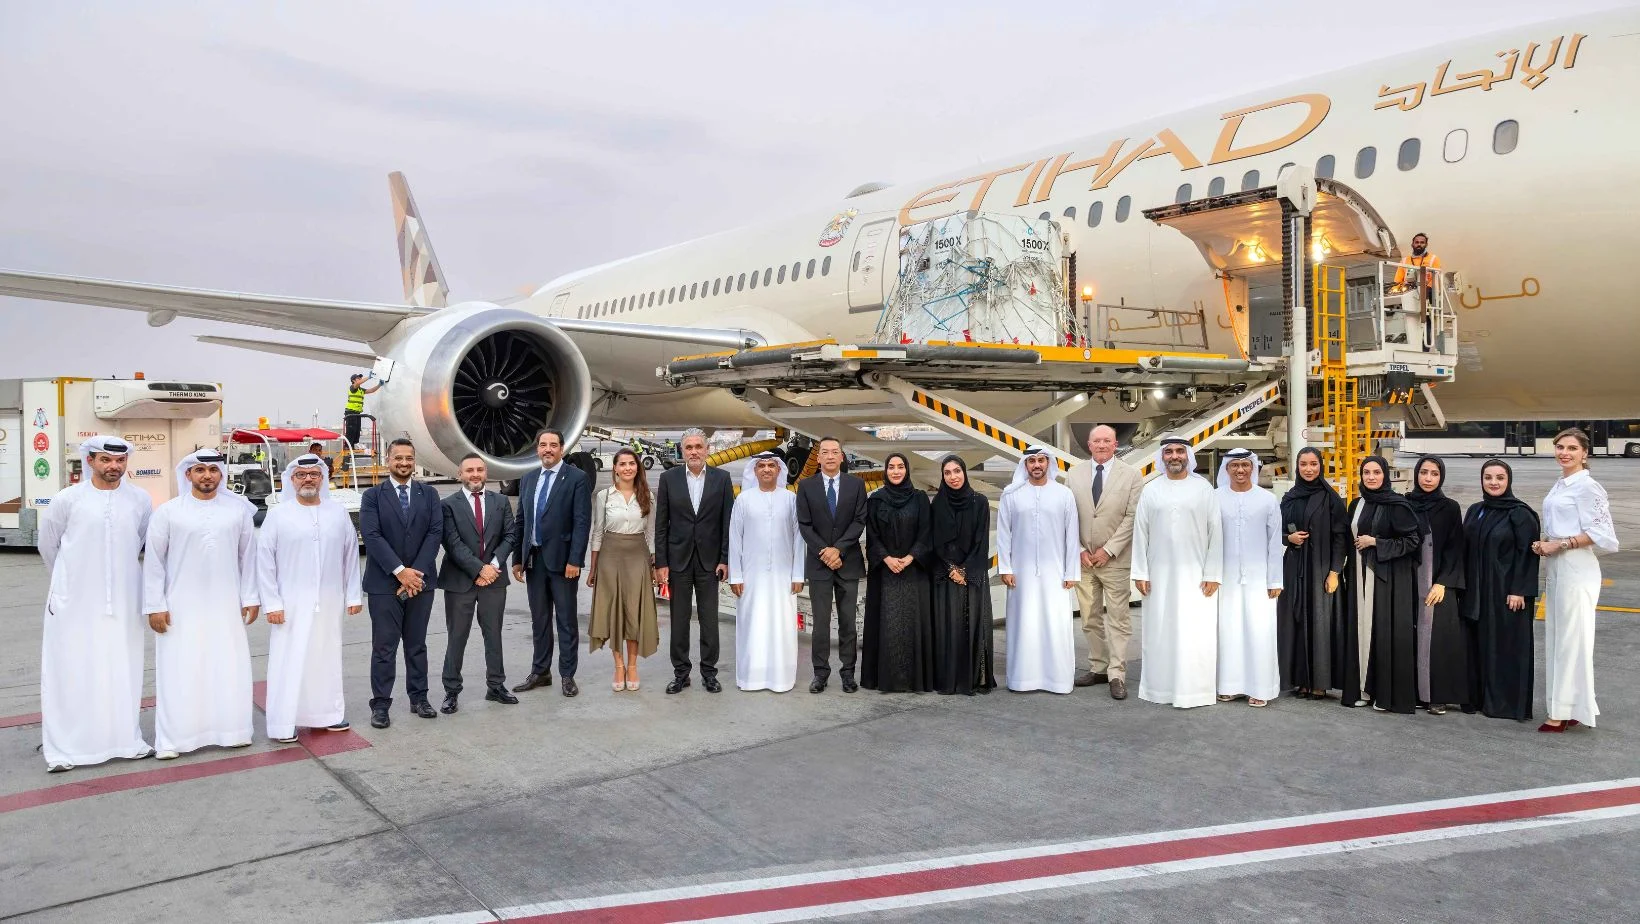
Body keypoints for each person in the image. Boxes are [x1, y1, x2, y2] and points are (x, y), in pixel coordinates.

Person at [36, 436, 153, 773]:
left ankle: (124, 741)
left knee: (121, 667)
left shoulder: (140, 499)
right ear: (90, 461)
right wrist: (68, 584)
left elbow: (139, 541)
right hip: (74, 600)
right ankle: (66, 747)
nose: (113, 466)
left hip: (124, 599)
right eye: (105, 460)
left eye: (120, 461)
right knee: (72, 668)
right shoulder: (67, 499)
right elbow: (48, 546)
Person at [144, 451, 259, 759]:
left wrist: (250, 597)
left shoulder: (237, 512)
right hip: (180, 606)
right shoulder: (168, 512)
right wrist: (154, 605)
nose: (207, 475)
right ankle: (174, 740)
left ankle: (233, 731)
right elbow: (153, 562)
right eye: (200, 470)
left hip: (226, 604)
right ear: (188, 475)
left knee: (228, 666)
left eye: (213, 470)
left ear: (221, 474)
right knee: (181, 669)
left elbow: (248, 558)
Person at [257, 454, 363, 742]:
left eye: (314, 474)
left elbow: (350, 556)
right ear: (291, 480)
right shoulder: (278, 515)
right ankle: (284, 721)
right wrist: (272, 603)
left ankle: (327, 715)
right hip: (289, 604)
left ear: (322, 479)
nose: (308, 479)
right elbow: (264, 561)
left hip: (329, 602)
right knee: (288, 660)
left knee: (326, 658)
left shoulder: (337, 513)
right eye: (301, 475)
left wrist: (353, 595)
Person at [1533, 428, 1618, 732]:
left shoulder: (1588, 487)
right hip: (1558, 565)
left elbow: (1602, 534)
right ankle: (1569, 707)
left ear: (1585, 453)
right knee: (1559, 638)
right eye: (1560, 447)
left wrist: (1560, 544)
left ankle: (1561, 713)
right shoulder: (1561, 483)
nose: (1564, 453)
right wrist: (1546, 543)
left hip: (1577, 567)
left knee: (1572, 639)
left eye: (1571, 448)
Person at [1132, 437, 1223, 708]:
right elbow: (1140, 532)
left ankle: (1195, 691)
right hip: (1159, 576)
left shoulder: (1203, 488)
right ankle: (1159, 689)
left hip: (1197, 576)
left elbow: (1216, 532)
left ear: (1188, 455)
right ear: (1162, 457)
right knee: (1160, 631)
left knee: (1195, 632)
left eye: (1180, 451)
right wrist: (1140, 572)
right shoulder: (1151, 489)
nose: (1174, 456)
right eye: (1169, 452)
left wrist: (1213, 574)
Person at [359, 438, 443, 728]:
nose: (404, 463)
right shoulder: (372, 496)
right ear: (388, 460)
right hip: (384, 585)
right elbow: (372, 536)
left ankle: (419, 698)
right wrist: (400, 572)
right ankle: (381, 704)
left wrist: (414, 574)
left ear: (414, 461)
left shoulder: (429, 494)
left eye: (409, 458)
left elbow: (434, 534)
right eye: (398, 458)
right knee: (384, 647)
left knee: (416, 644)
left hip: (420, 583)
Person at [510, 428, 592, 698]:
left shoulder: (576, 478)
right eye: (543, 444)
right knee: (540, 620)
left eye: (553, 445)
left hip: (563, 562)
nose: (547, 449)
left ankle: (567, 675)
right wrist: (518, 558)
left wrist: (575, 559)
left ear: (562, 448)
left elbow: (581, 522)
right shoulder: (528, 478)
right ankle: (540, 672)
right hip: (534, 561)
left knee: (566, 621)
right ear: (538, 449)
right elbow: (521, 520)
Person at [1065, 424, 1143, 700]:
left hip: (1115, 560)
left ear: (1115, 445)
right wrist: (1078, 550)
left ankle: (1116, 673)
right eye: (1096, 441)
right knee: (1089, 618)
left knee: (1119, 619)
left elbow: (1132, 517)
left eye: (1106, 441)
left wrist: (1108, 550)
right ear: (1089, 445)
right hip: (1084, 560)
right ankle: (1098, 667)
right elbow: (1067, 516)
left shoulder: (1132, 475)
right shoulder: (1073, 474)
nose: (1101, 445)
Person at [654, 428, 735, 694]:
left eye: (698, 446)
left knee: (709, 620)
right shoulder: (669, 479)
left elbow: (727, 524)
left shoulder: (722, 479)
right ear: (682, 450)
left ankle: (709, 673)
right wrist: (661, 562)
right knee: (679, 620)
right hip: (678, 560)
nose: (694, 452)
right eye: (689, 447)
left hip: (710, 563)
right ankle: (681, 674)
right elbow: (661, 524)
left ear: (707, 449)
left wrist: (725, 559)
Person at [436, 453, 518, 713]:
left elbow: (510, 535)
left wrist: (493, 566)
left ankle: (496, 686)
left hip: (494, 579)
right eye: (469, 470)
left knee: (493, 635)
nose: (475, 474)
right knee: (456, 637)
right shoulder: (448, 505)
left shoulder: (501, 501)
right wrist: (479, 569)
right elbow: (452, 543)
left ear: (486, 473)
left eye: (479, 470)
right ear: (460, 474)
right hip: (459, 581)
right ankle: (451, 691)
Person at [1461, 460, 1540, 722]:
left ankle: (1505, 704)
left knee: (1505, 647)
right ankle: (1479, 698)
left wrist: (1519, 590)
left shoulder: (1520, 514)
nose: (1493, 482)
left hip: (1507, 593)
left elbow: (1527, 554)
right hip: (1478, 591)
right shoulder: (1476, 510)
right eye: (1488, 477)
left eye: (1500, 477)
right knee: (1479, 644)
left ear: (1509, 480)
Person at [996, 446, 1080, 694]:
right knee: (1024, 624)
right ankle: (1022, 679)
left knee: (1055, 624)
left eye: (1041, 460)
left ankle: (1058, 680)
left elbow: (1072, 535)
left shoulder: (1064, 494)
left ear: (1048, 463)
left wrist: (1071, 572)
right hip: (1020, 574)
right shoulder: (1011, 495)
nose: (1036, 465)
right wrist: (1005, 568)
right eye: (1031, 460)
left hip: (1056, 573)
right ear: (1025, 465)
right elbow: (1004, 534)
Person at [1349, 456, 1424, 715]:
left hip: (1387, 581)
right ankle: (1362, 690)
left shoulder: (1397, 505)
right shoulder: (1357, 504)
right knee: (1361, 632)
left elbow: (1413, 541)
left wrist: (1376, 542)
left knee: (1382, 634)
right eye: (1366, 472)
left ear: (1385, 475)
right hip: (1359, 577)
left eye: (1376, 472)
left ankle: (1383, 693)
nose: (1371, 477)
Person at [1277, 447, 1351, 702]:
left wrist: (1335, 572)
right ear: (1297, 467)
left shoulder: (1330, 499)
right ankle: (1300, 680)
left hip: (1321, 569)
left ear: (1320, 466)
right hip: (1294, 568)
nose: (1309, 469)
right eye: (1304, 464)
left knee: (1321, 623)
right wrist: (1289, 538)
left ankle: (1320, 682)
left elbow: (1341, 538)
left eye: (1313, 464)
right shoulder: (1289, 498)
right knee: (1295, 621)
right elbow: (1275, 530)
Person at [795, 436, 868, 693]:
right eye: (824, 452)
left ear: (841, 456)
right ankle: (820, 673)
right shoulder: (806, 486)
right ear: (818, 457)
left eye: (834, 452)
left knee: (848, 622)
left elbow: (859, 520)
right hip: (819, 564)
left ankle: (848, 673)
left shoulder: (856, 485)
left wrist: (839, 549)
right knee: (821, 623)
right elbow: (804, 524)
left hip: (847, 562)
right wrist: (824, 551)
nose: (829, 456)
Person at [728, 452, 806, 692]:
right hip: (751, 576)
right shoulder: (744, 500)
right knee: (753, 624)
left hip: (784, 576)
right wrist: (736, 575)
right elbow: (734, 539)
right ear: (754, 471)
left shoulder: (790, 499)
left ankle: (781, 678)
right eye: (761, 466)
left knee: (782, 625)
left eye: (772, 465)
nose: (766, 470)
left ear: (779, 470)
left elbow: (799, 539)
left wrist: (798, 574)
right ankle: (751, 677)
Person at [1214, 449, 1283, 708]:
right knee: (1228, 630)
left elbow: (1274, 542)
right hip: (1224, 579)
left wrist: (1274, 580)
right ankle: (1229, 686)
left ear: (1252, 468)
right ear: (1227, 469)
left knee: (1259, 631)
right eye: (1234, 465)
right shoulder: (1215, 498)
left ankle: (1260, 688)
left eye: (1245, 465)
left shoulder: (1267, 499)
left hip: (1259, 579)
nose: (1240, 470)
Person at [1404, 456, 1472, 715]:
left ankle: (1437, 696)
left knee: (1439, 641)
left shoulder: (1449, 508)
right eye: (1424, 472)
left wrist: (1443, 582)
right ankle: (1413, 692)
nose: (1428, 478)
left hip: (1438, 584)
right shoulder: (1405, 504)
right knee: (1409, 636)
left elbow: (1455, 548)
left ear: (1441, 476)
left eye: (1434, 473)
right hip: (1409, 581)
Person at [588, 447, 660, 692]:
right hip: (610, 556)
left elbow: (651, 533)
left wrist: (653, 564)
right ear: (615, 468)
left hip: (638, 556)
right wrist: (593, 567)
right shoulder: (604, 496)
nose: (627, 468)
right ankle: (618, 666)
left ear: (637, 467)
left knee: (634, 612)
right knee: (613, 613)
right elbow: (597, 532)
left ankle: (632, 666)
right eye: (623, 464)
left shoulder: (648, 496)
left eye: (632, 463)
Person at [862, 452, 934, 693]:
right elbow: (871, 534)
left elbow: (926, 532)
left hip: (914, 571)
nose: (895, 471)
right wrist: (887, 558)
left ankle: (914, 679)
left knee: (912, 623)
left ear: (907, 470)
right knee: (888, 624)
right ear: (885, 471)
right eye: (891, 467)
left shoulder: (919, 498)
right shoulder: (876, 500)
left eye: (900, 466)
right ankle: (886, 679)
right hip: (885, 571)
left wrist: (911, 557)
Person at [929, 455, 996, 696]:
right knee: (948, 626)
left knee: (974, 624)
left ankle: (975, 678)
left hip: (973, 574)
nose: (953, 477)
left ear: (965, 472)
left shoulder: (980, 502)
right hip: (945, 574)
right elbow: (933, 543)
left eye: (957, 471)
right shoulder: (937, 505)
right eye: (947, 473)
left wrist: (965, 570)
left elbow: (981, 541)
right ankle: (949, 679)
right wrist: (951, 569)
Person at [343, 373, 381, 451]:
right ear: (353, 380)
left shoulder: (361, 390)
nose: (360, 379)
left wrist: (379, 385)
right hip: (350, 412)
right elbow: (358, 383)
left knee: (357, 430)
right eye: (358, 378)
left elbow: (371, 390)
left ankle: (354, 444)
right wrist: (369, 377)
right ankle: (347, 446)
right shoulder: (353, 387)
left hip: (357, 413)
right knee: (351, 430)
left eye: (360, 378)